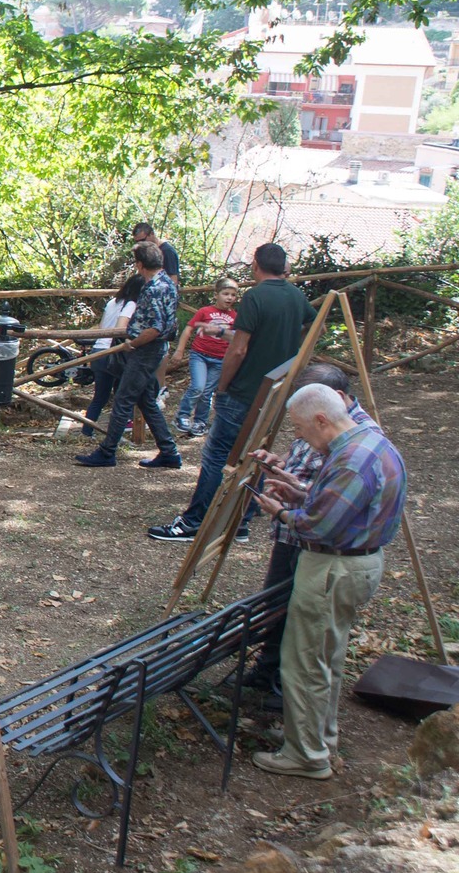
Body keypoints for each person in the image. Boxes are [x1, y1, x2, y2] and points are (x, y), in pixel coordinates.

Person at [248, 384, 405, 779]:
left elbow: (321, 527)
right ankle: (320, 737)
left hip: (333, 570)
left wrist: (283, 512)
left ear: (321, 419)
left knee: (304, 663)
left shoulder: (351, 460)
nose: (298, 436)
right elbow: (343, 506)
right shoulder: (371, 443)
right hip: (356, 564)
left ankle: (305, 756)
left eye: (300, 428)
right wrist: (301, 490)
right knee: (327, 658)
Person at [149, 244, 317, 542]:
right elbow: (313, 326)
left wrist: (223, 386)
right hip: (274, 394)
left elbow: (238, 351)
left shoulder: (255, 296)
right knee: (255, 454)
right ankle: (240, 520)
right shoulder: (295, 295)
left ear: (256, 265)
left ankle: (194, 522)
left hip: (243, 392)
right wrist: (289, 351)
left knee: (216, 456)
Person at [241, 362, 374, 709]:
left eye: (301, 424)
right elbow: (303, 461)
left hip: (317, 541)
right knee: (277, 601)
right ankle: (268, 669)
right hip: (295, 533)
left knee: (301, 619)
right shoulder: (322, 421)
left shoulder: (355, 440)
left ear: (337, 399)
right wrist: (279, 465)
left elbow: (333, 502)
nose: (297, 433)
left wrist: (290, 500)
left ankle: (288, 690)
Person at [75, 242, 182, 469]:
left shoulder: (153, 288)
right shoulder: (167, 284)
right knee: (145, 401)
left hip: (145, 350)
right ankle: (169, 451)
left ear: (140, 264)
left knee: (123, 399)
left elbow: (154, 328)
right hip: (151, 349)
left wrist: (132, 343)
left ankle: (107, 451)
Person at [167, 280, 240, 437]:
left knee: (207, 392)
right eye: (225, 294)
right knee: (198, 387)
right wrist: (179, 350)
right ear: (216, 295)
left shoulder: (235, 317)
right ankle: (183, 415)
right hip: (200, 355)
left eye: (233, 295)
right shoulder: (205, 311)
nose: (229, 298)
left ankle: (200, 421)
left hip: (220, 359)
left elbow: (237, 338)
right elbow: (188, 330)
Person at [79, 274, 143, 437]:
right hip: (113, 353)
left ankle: (87, 431)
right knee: (124, 395)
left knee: (100, 397)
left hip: (99, 351)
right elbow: (121, 328)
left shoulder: (112, 302)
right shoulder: (131, 305)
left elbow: (102, 327)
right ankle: (122, 428)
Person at [134, 221, 180, 286]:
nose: (140, 244)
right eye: (137, 242)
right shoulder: (145, 252)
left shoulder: (167, 251)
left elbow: (173, 280)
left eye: (142, 240)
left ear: (152, 234)